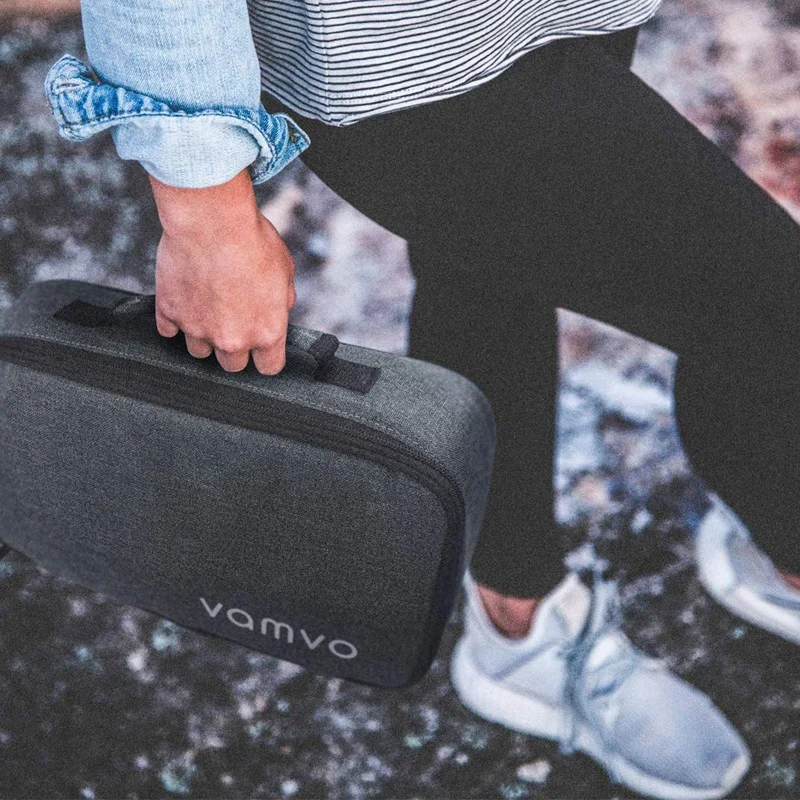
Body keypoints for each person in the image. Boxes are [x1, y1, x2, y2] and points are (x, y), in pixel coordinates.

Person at [42, 0, 800, 796]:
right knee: (774, 319)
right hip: (399, 55)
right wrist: (205, 216)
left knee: (489, 261)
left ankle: (519, 618)